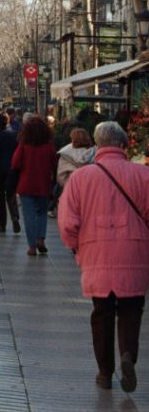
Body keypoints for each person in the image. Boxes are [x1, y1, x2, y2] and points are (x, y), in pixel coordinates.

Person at [58, 121, 149, 392]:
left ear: (97, 145)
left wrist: (76, 248)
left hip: (96, 253)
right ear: (123, 144)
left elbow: (67, 222)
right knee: (132, 310)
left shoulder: (80, 178)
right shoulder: (143, 175)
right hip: (134, 251)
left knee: (101, 313)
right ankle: (127, 355)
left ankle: (104, 373)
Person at [11, 115, 56, 256]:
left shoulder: (24, 145)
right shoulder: (49, 146)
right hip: (43, 184)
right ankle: (41, 238)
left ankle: (31, 246)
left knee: (29, 215)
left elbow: (15, 164)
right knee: (42, 213)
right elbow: (54, 164)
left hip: (26, 185)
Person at [0, 112, 20, 233]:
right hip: (12, 169)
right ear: (8, 121)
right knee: (11, 195)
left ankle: (1, 224)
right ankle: (15, 217)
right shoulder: (15, 135)